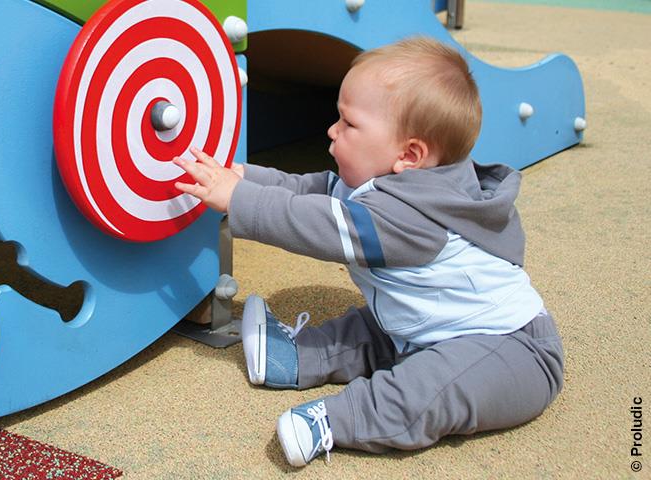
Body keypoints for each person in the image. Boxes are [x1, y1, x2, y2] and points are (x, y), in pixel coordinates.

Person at [172, 37, 564, 467]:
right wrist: (246, 177)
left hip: (509, 351)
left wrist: (240, 200)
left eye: (348, 123)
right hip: (416, 329)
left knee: (429, 388)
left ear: (408, 155)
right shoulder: (377, 181)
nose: (331, 130)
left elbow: (319, 224)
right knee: (370, 332)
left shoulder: (417, 216)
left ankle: (340, 421)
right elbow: (311, 190)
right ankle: (294, 357)